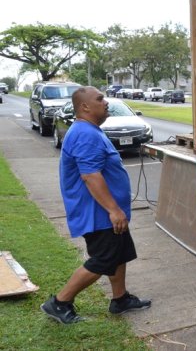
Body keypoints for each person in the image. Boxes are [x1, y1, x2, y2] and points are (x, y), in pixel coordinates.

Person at [41, 87, 150, 324]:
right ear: (85, 107)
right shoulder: (85, 134)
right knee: (103, 259)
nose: (106, 102)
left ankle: (120, 299)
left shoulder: (90, 131)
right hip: (98, 213)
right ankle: (59, 302)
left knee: (119, 253)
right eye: (100, 99)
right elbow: (90, 176)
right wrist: (113, 209)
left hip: (105, 212)